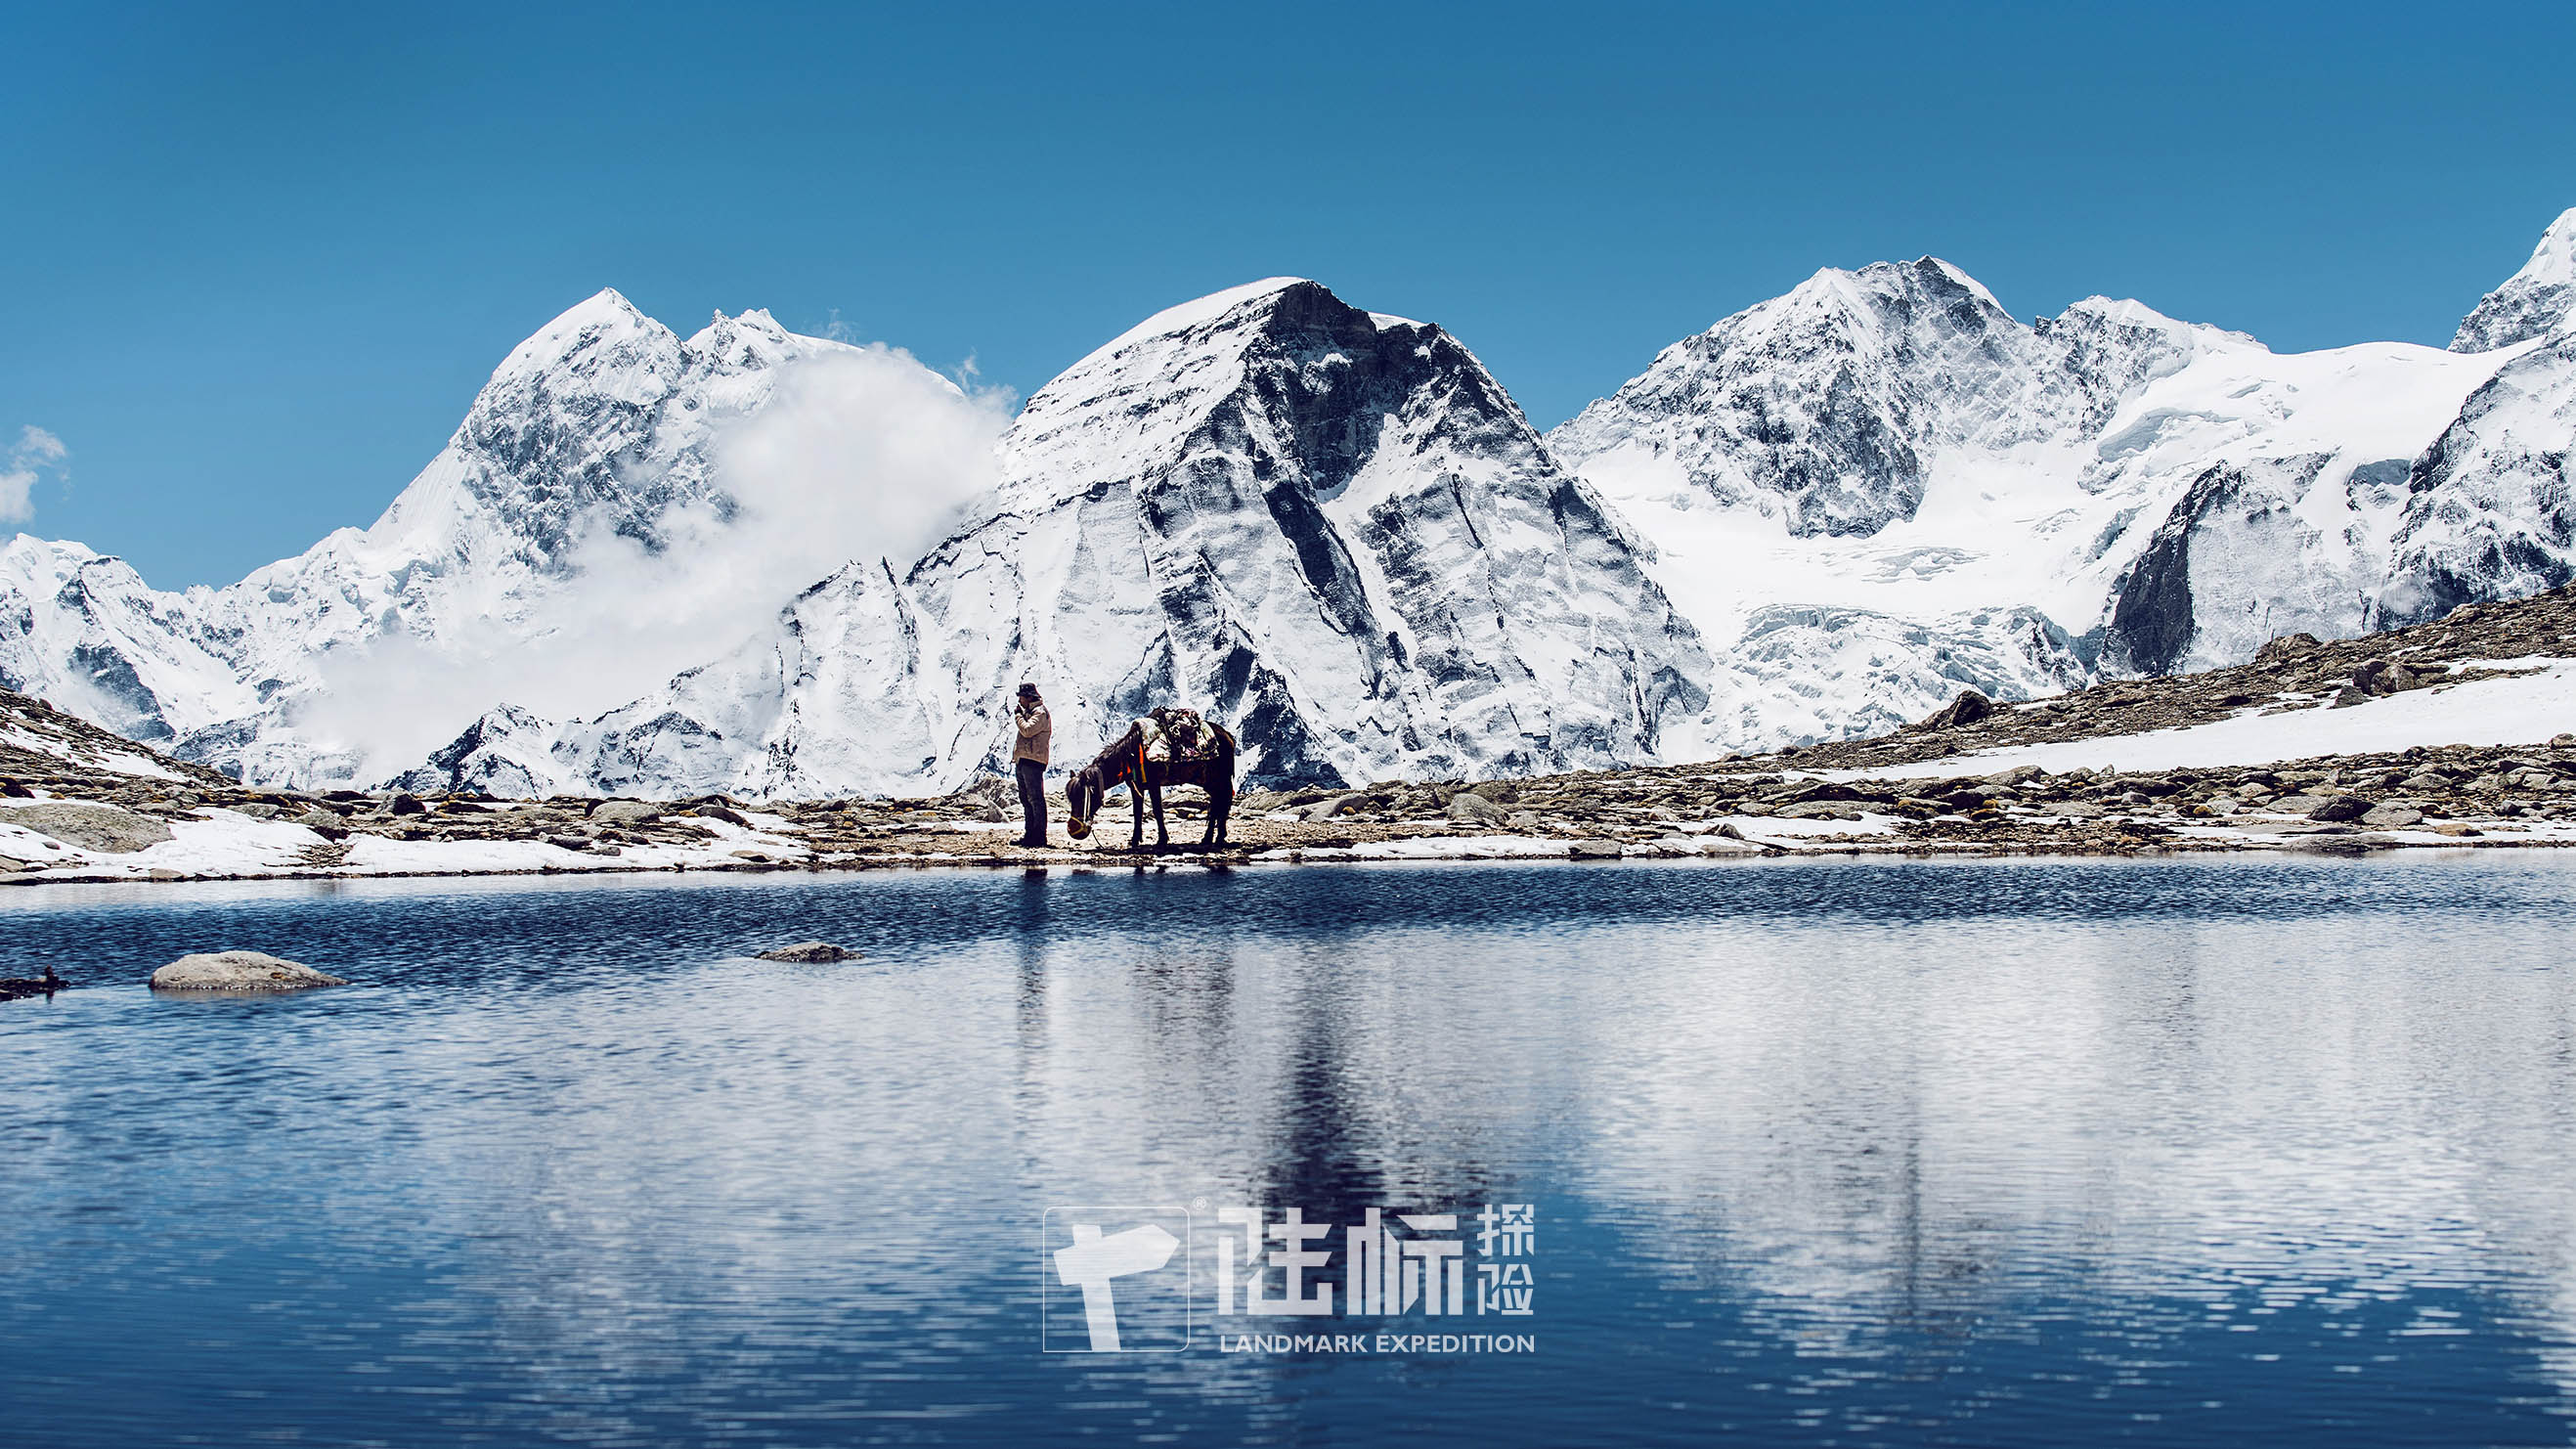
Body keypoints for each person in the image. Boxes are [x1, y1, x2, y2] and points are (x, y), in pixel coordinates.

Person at [1012, 683, 1051, 848]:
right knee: (1026, 799)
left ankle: (1039, 836)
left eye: (1022, 697)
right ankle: (1030, 834)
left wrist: (1018, 717)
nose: (1020, 700)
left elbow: (1027, 731)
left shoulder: (1040, 713)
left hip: (1032, 760)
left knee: (1035, 799)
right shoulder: (1032, 712)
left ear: (1029, 697)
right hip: (1024, 759)